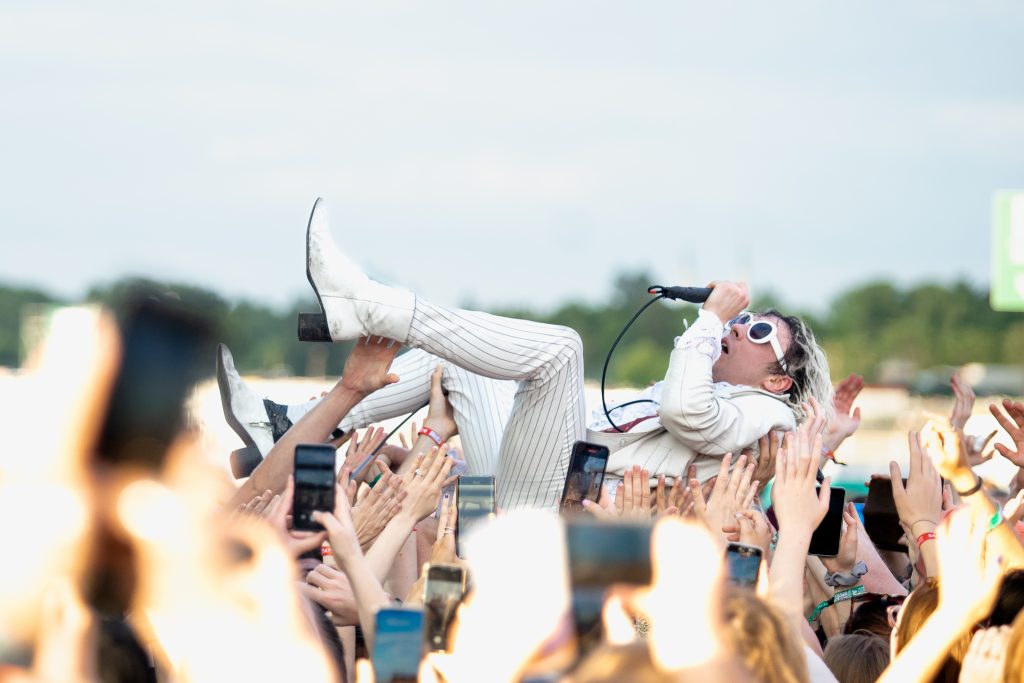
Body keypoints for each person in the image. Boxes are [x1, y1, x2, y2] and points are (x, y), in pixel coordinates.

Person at [296, 198, 834, 510]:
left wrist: (711, 320)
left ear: (777, 381)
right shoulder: (722, 391)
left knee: (561, 350)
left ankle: (370, 304)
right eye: (742, 321)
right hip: (550, 484)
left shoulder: (768, 414)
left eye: (759, 334)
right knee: (467, 357)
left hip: (566, 509)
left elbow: (687, 413)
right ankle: (291, 423)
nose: (740, 330)